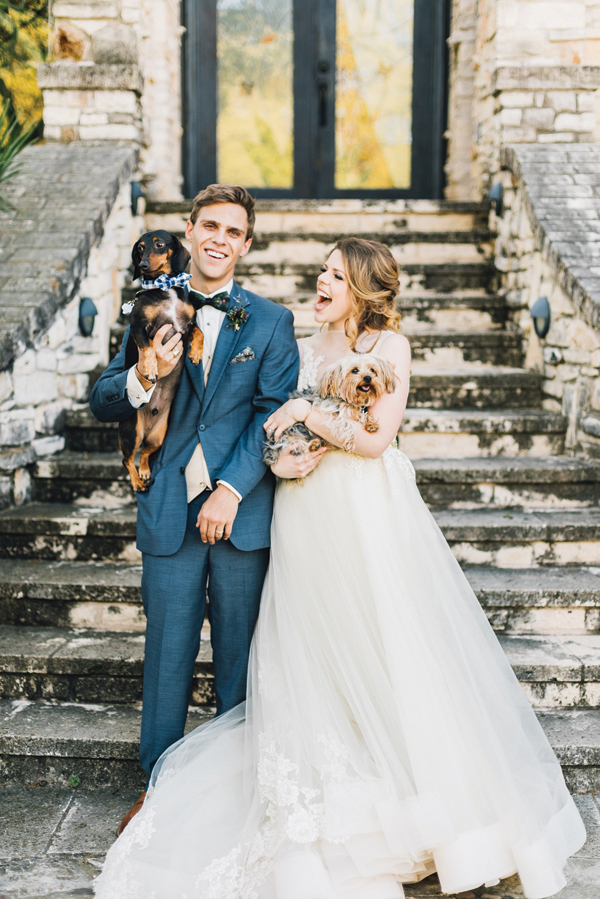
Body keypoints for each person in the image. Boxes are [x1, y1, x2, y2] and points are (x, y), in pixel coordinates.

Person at [93, 237, 585, 899]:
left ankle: (420, 805)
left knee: (382, 643)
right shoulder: (304, 340)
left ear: (362, 285)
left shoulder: (391, 348)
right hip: (302, 510)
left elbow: (377, 436)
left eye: (334, 274)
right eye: (320, 272)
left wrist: (307, 413)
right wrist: (277, 455)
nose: (320, 282)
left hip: (365, 512)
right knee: (308, 650)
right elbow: (272, 425)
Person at [89, 184, 299, 834]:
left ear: (246, 242)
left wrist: (232, 489)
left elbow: (273, 412)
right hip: (168, 518)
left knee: (239, 663)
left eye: (233, 231)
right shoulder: (152, 308)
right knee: (167, 658)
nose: (219, 239)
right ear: (189, 229)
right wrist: (143, 374)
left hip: (241, 521)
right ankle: (157, 795)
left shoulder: (270, 321)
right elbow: (102, 399)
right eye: (210, 226)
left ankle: (234, 799)